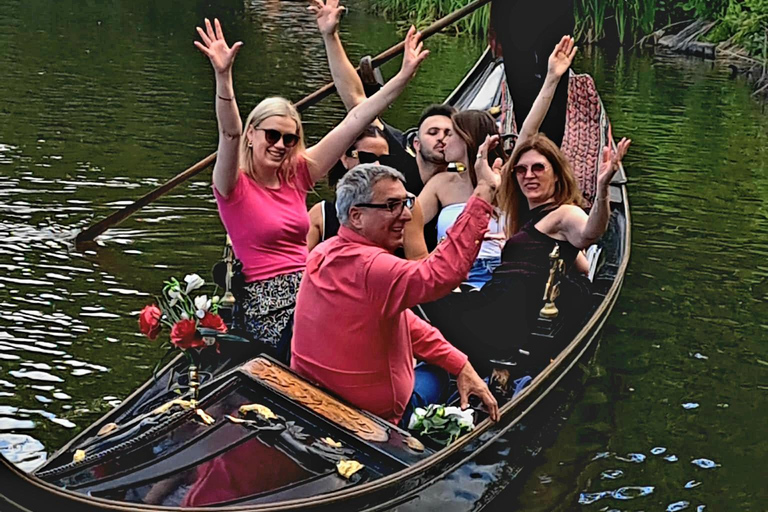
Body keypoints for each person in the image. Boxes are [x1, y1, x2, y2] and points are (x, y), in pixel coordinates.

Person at [194, 18, 428, 361]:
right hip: (266, 305)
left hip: (313, 288)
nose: (280, 145)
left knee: (381, 314)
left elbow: (356, 120)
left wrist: (403, 76)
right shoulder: (231, 185)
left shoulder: (298, 174)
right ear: (252, 135)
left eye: (289, 139)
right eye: (271, 135)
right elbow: (228, 133)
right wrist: (223, 77)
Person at [291, 141, 504, 427]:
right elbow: (441, 274)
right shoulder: (375, 267)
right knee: (441, 377)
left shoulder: (323, 252)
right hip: (372, 421)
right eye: (392, 206)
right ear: (356, 216)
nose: (406, 215)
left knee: (448, 364)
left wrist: (459, 362)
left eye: (406, 203)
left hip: (313, 401)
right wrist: (484, 192)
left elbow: (405, 323)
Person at [421, 133, 631, 376]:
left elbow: (589, 232)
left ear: (556, 172)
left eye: (538, 168)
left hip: (499, 320)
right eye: (521, 170)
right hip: (495, 308)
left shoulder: (564, 213)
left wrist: (603, 189)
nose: (529, 175)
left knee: (417, 295)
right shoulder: (528, 219)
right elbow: (583, 267)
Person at [414, 36, 579, 288]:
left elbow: (528, 130)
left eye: (451, 135)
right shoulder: (440, 183)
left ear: (468, 140)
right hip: (450, 277)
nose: (443, 142)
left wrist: (552, 79)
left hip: (499, 276)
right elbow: (407, 222)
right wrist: (422, 263)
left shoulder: (501, 178)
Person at [310, 0, 455, 249]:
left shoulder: (461, 181)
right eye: (433, 132)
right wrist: (330, 36)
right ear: (416, 143)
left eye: (449, 133)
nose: (442, 138)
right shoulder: (391, 160)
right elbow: (357, 102)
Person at [306, 125, 429, 259]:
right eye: (367, 158)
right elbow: (299, 265)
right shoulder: (321, 215)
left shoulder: (407, 207)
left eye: (385, 160)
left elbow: (418, 264)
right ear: (344, 158)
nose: (377, 166)